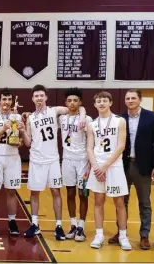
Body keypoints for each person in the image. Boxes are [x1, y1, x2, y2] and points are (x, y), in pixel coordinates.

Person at [21, 85, 87, 239]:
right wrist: (23, 132)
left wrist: (83, 115)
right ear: (32, 99)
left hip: (53, 160)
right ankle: (35, 224)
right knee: (34, 193)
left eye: (41, 95)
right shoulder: (30, 118)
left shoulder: (55, 110)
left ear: (46, 97)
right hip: (36, 160)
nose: (38, 98)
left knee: (56, 191)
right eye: (36, 96)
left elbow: (77, 108)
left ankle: (58, 226)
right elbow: (28, 142)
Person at [108, 89, 154, 250]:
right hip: (122, 166)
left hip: (143, 166)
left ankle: (144, 235)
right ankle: (121, 232)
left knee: (144, 202)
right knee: (121, 201)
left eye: (133, 98)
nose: (130, 100)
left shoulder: (153, 117)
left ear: (140, 99)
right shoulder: (118, 119)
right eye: (127, 98)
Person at [85, 91, 131, 251]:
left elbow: (121, 146)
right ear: (95, 104)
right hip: (97, 167)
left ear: (110, 102)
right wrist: (96, 166)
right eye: (99, 101)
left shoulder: (120, 121)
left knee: (119, 202)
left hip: (114, 167)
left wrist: (105, 166)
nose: (102, 103)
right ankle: (99, 235)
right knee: (98, 201)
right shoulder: (92, 124)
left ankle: (123, 236)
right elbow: (89, 148)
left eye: (105, 100)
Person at [0, 88, 25, 236]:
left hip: (13, 157)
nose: (6, 102)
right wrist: (3, 128)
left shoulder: (17, 116)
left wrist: (20, 139)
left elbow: (22, 141)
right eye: (4, 99)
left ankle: (12, 221)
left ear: (12, 101)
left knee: (11, 191)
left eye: (9, 99)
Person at [58, 88, 93, 242]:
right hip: (67, 160)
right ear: (66, 103)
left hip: (83, 161)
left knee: (83, 194)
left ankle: (81, 226)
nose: (72, 103)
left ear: (80, 102)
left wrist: (83, 112)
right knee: (70, 193)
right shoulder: (61, 118)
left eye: (75, 100)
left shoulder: (88, 120)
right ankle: (72, 225)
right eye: (69, 100)